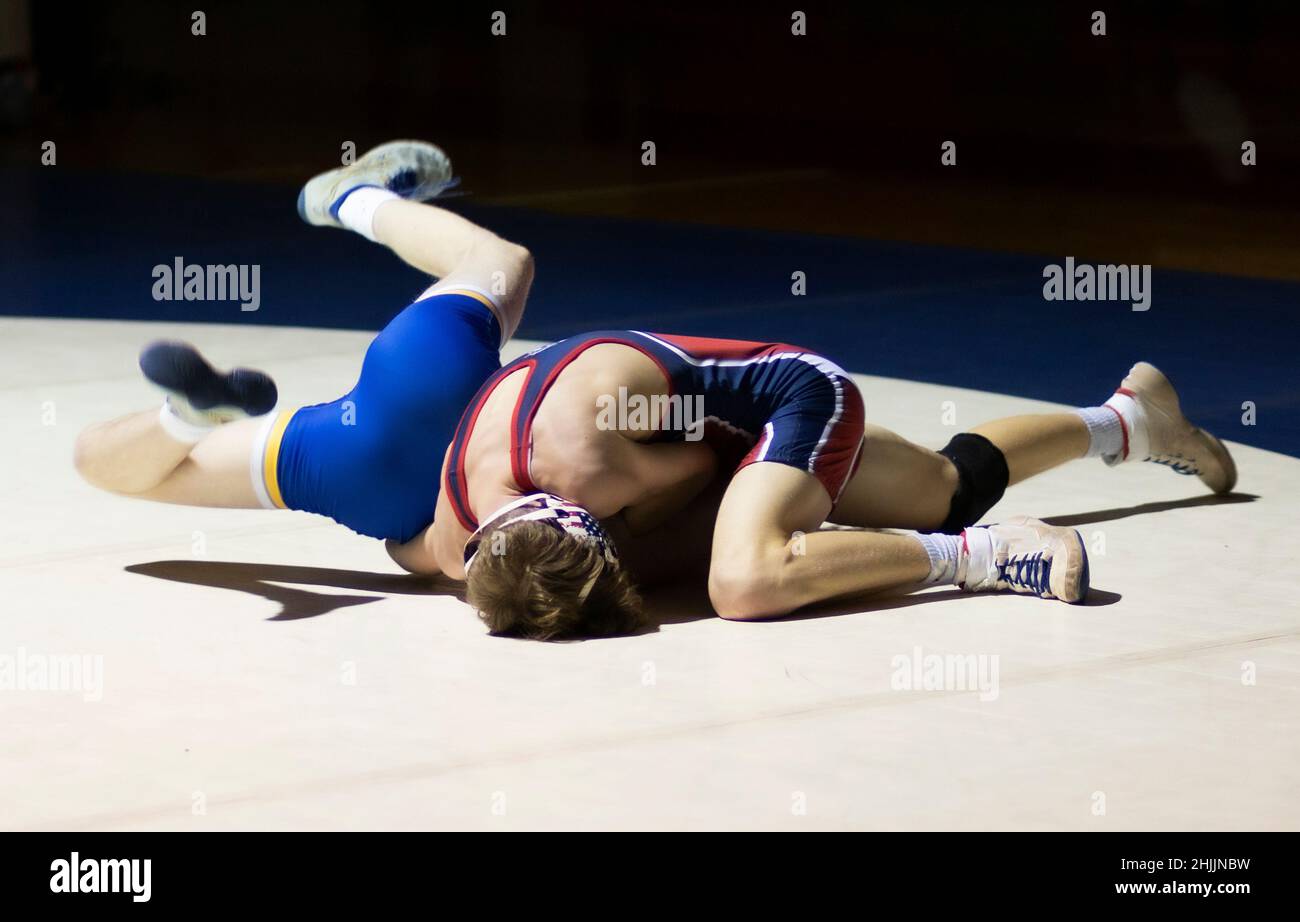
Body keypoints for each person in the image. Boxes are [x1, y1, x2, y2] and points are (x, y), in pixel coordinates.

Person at [396, 330, 1236, 640]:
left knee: (742, 579)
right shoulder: (447, 541)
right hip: (689, 427)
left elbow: (695, 468)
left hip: (792, 391)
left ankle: (984, 554)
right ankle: (1132, 419)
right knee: (946, 482)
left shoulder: (588, 462)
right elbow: (405, 547)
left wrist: (745, 529)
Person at [74, 141, 534, 548]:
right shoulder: (526, 548)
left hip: (451, 389)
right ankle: (186, 421)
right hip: (394, 494)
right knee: (120, 469)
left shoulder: (593, 482)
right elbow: (428, 557)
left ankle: (355, 197)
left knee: (497, 259)